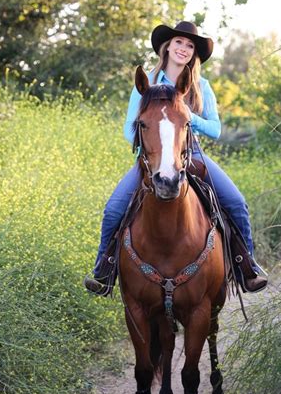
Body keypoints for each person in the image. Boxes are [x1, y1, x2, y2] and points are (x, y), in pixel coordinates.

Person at [84, 21, 267, 295]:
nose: (183, 48)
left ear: (194, 54)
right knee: (114, 208)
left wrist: (185, 115)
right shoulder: (147, 83)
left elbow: (215, 129)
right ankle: (104, 269)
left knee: (236, 202)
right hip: (153, 159)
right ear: (167, 46)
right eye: (179, 42)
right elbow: (128, 126)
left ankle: (246, 267)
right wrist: (149, 155)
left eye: (190, 45)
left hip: (192, 155)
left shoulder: (201, 86)